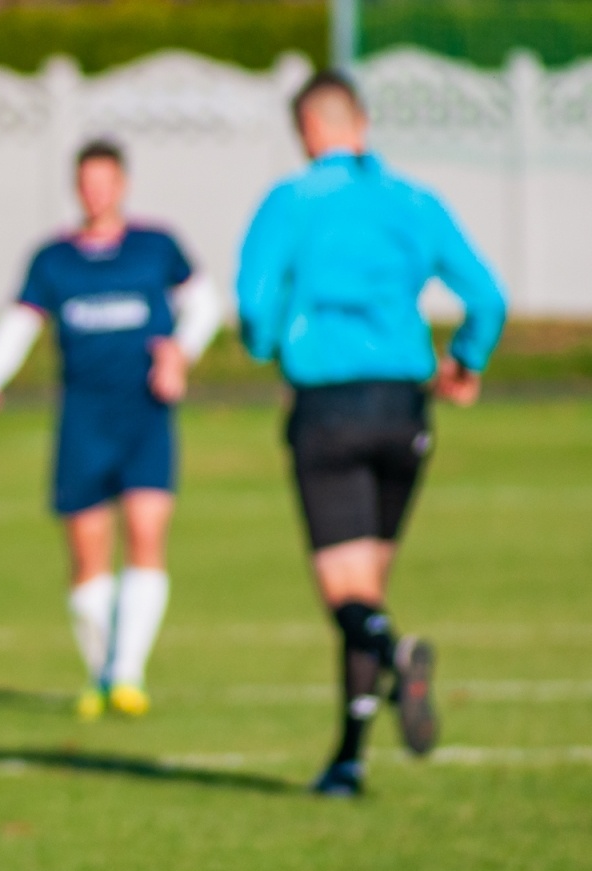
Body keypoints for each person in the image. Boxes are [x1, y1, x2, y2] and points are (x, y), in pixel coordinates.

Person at [236, 70, 507, 797]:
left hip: (327, 408)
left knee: (348, 595)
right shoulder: (413, 201)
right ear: (361, 123)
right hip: (403, 409)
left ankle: (393, 653)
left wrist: (269, 345)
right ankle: (348, 760)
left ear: (307, 131)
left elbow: (254, 305)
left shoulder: (291, 201)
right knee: (369, 584)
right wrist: (466, 362)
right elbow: (487, 298)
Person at [0, 140, 221, 721]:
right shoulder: (54, 260)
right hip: (83, 421)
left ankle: (127, 676)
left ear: (123, 185)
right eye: (87, 183)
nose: (97, 193)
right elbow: (18, 325)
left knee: (146, 534)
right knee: (87, 552)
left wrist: (180, 353)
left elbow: (205, 304)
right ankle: (103, 673)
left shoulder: (156, 246)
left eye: (106, 181)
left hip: (145, 415)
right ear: (77, 188)